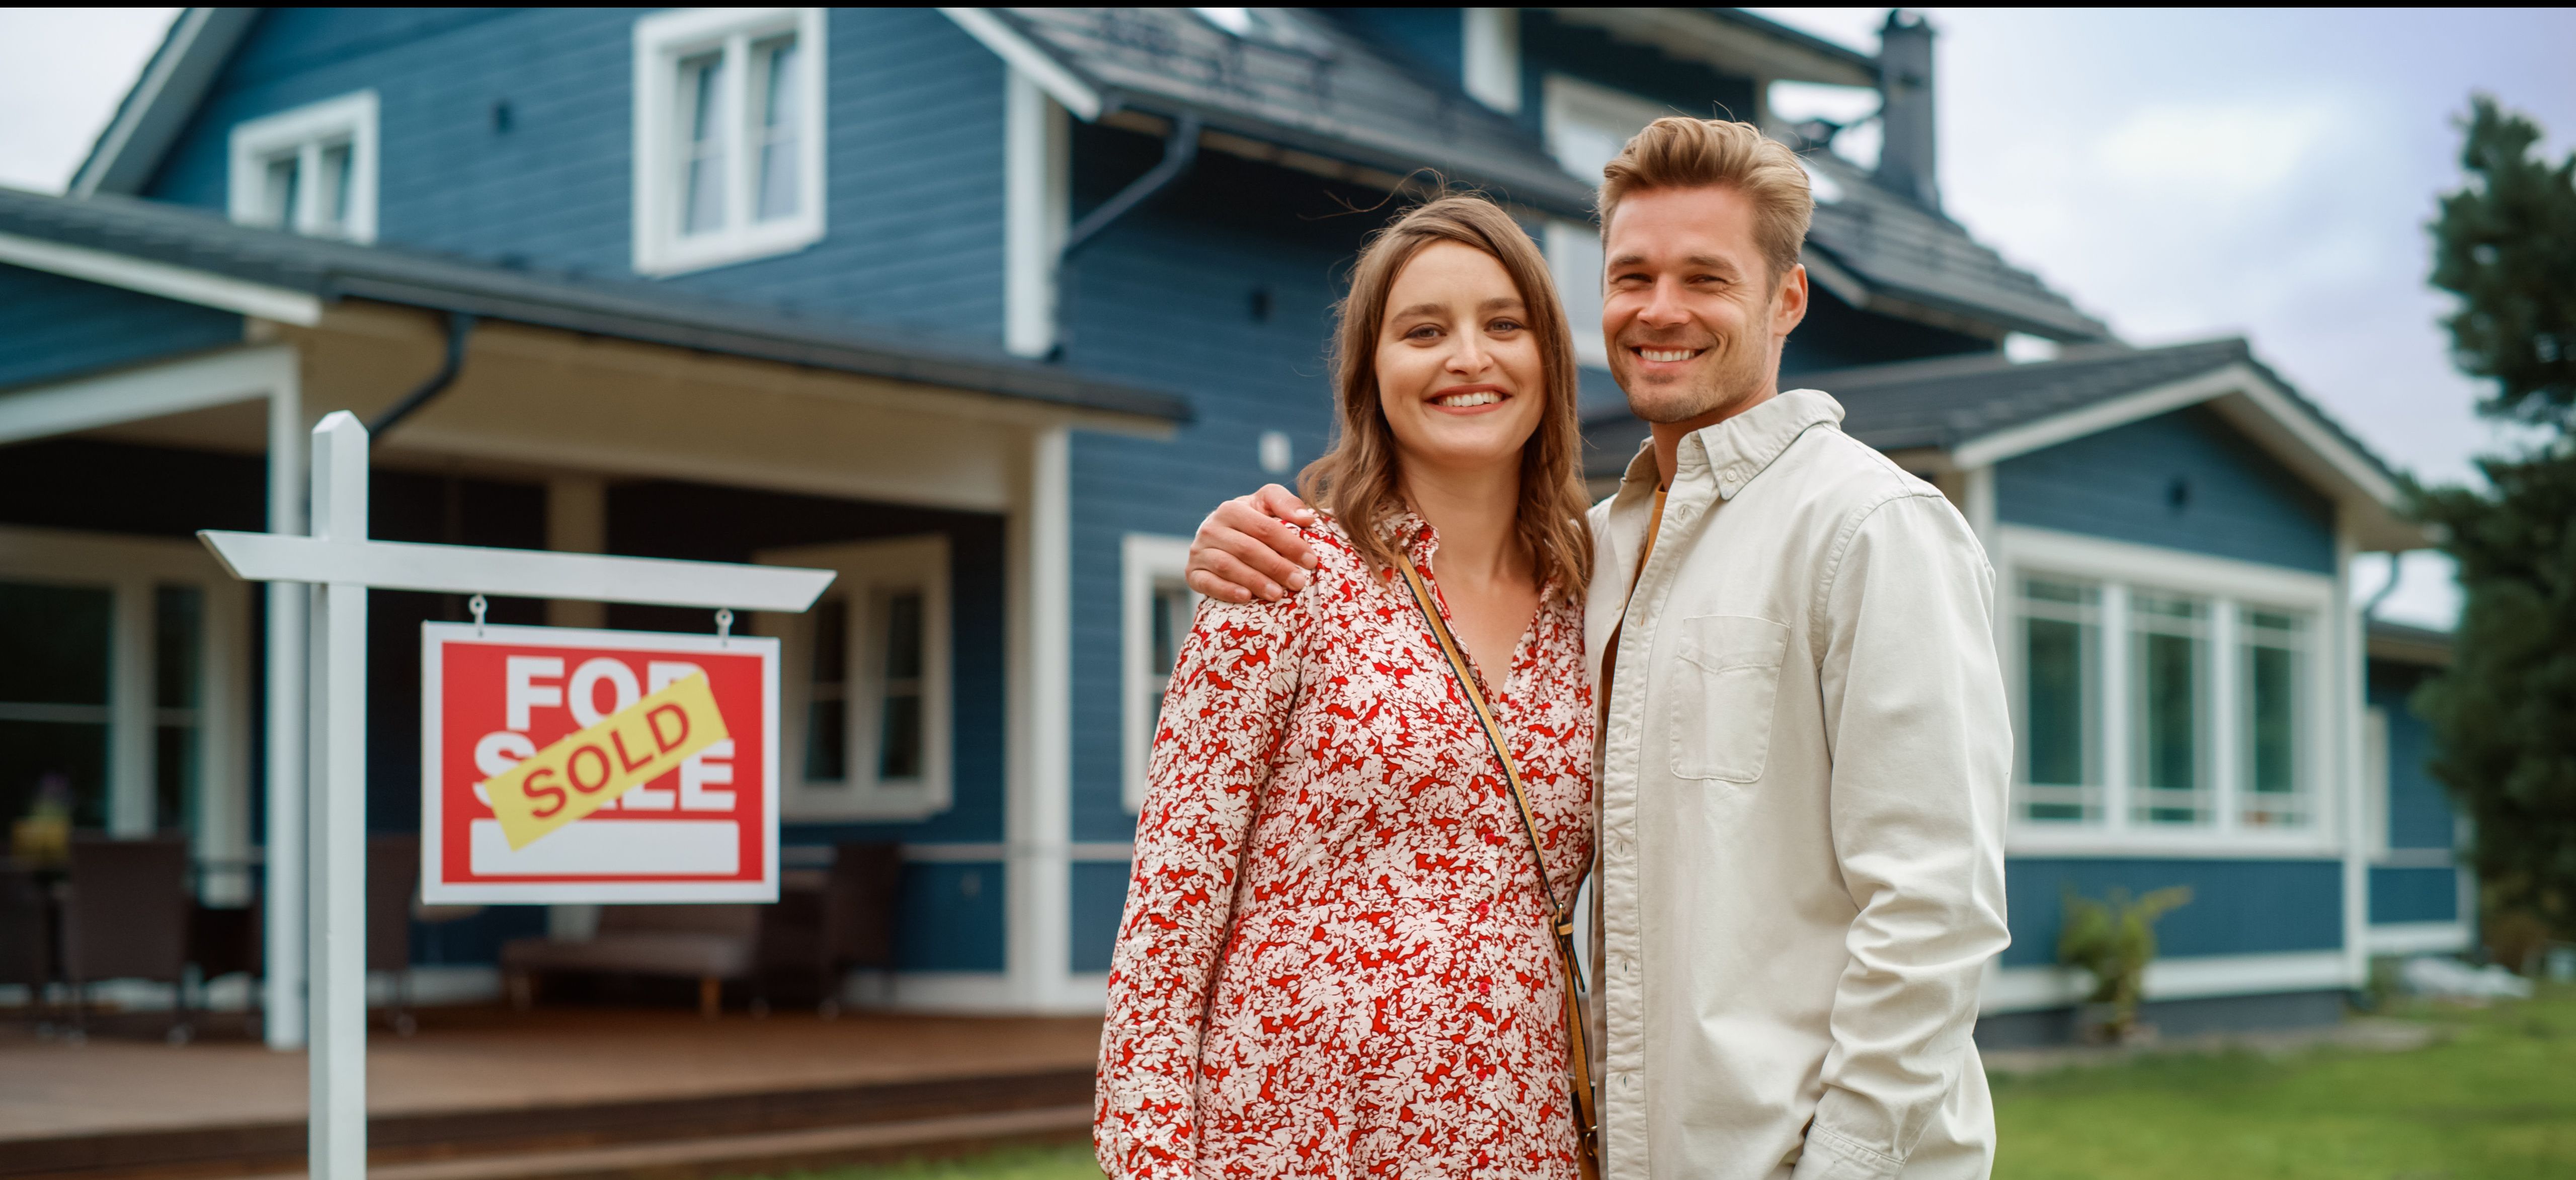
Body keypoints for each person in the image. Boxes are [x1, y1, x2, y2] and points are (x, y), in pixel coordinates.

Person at [1185, 118, 2013, 1180]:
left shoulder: (1869, 527)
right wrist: (1242, 535)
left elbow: (1934, 911)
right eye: (1633, 276)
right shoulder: (1594, 556)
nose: (1661, 311)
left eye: (1706, 278)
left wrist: (1843, 1166)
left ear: (1787, 299)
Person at [1096, 195, 1600, 1179]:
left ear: (1551, 359)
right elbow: (1165, 926)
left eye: (1504, 324)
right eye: (1424, 331)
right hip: (1293, 1142)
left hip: (1520, 1142)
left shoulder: (1598, 599)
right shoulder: (1280, 575)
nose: (1468, 357)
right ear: (1371, 371)